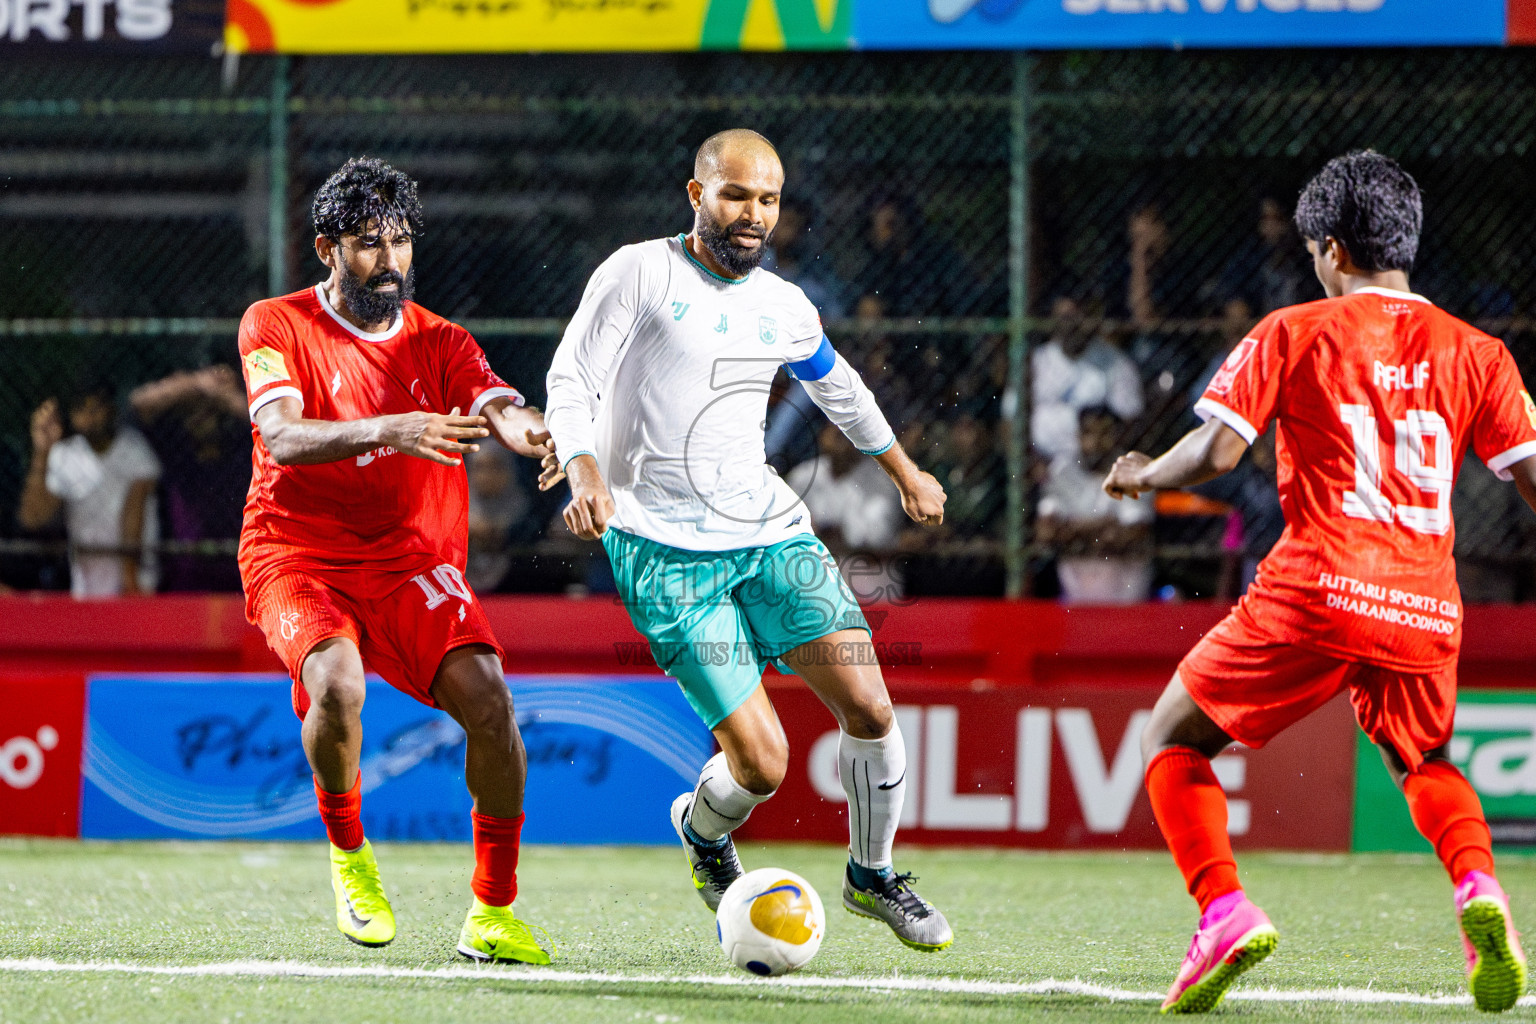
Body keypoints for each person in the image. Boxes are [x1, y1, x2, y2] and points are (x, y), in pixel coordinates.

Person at [1103, 151, 1531, 1014]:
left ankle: (1223, 909)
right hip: (1422, 602)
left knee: (1173, 739)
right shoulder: (1478, 352)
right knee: (1427, 761)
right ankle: (1479, 889)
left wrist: (1145, 472)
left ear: (1331, 248)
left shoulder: (1294, 330)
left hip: (1318, 585)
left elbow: (1219, 453)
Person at [542, 129, 954, 952]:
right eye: (735, 195)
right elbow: (571, 379)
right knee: (761, 766)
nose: (752, 214)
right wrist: (587, 472)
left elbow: (840, 386)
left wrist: (905, 473)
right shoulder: (639, 272)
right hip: (661, 548)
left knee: (870, 704)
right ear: (696, 195)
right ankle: (701, 834)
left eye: (767, 199)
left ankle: (872, 876)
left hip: (768, 532)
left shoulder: (784, 303)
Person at [237, 157, 554, 964]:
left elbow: (499, 406)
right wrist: (392, 426)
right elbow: (280, 437)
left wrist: (541, 436)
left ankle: (492, 911)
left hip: (410, 558)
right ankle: (351, 856)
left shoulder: (442, 339)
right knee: (336, 686)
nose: (391, 260)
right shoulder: (273, 324)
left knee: (490, 704)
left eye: (402, 241)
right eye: (370, 243)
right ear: (326, 249)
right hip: (296, 551)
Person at [18, 382, 160, 598]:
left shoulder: (134, 450)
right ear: (72, 415)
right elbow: (33, 518)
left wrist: (130, 581)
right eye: (82, 409)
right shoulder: (64, 454)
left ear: (110, 409)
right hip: (86, 590)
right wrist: (42, 451)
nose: (90, 416)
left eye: (97, 408)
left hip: (136, 586)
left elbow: (135, 513)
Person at [130, 364, 251, 592]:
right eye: (194, 413)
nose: (200, 419)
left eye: (208, 412)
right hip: (185, 577)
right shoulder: (177, 455)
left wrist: (225, 396)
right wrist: (198, 384)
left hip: (241, 573)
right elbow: (139, 403)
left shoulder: (242, 452)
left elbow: (267, 426)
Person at [1038, 406, 1152, 604]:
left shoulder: (1135, 473)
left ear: (1119, 437)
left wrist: (1074, 533)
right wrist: (1106, 527)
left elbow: (1133, 535)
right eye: (1089, 433)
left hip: (1127, 598)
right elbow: (1047, 533)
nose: (1097, 442)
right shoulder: (1063, 472)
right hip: (1073, 599)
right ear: (1078, 436)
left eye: (1105, 433)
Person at [1032, 295, 1144, 461]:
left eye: (1077, 318)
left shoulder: (1117, 363)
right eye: (1065, 318)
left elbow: (1130, 421)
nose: (1071, 326)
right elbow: (1010, 420)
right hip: (1046, 467)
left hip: (1102, 466)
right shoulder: (1036, 362)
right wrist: (1034, 465)